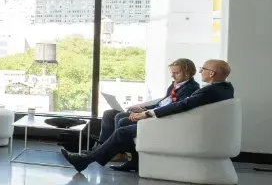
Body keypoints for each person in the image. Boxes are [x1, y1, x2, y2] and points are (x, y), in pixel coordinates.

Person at [62, 59, 234, 174]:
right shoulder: (223, 88)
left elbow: (182, 105)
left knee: (122, 129)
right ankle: (122, 158)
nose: (201, 71)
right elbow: (171, 102)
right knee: (121, 121)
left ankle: (86, 160)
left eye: (204, 69)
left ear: (212, 74)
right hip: (177, 122)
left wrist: (147, 113)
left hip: (172, 125)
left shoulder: (207, 90)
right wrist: (145, 109)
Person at [87, 58, 199, 166]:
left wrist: (147, 113)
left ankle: (120, 153)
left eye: (176, 73)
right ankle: (111, 150)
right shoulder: (174, 84)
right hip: (153, 112)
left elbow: (173, 107)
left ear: (187, 73)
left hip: (161, 118)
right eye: (172, 72)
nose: (172, 75)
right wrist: (145, 109)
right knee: (111, 113)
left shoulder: (191, 88)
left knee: (122, 119)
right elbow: (163, 102)